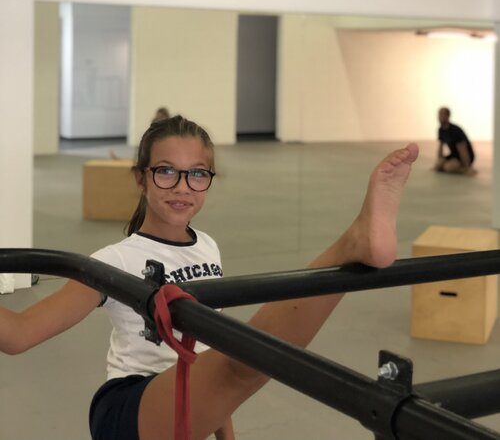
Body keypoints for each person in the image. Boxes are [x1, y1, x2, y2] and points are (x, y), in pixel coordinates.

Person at [0, 115, 419, 440]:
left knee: (240, 357)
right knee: (250, 359)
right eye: (166, 171)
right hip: (131, 410)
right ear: (140, 178)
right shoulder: (115, 261)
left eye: (197, 174)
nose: (182, 187)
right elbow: (18, 335)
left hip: (191, 398)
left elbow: (210, 355)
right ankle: (350, 243)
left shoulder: (207, 248)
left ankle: (354, 244)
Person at [434, 107, 476, 175]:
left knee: (448, 168)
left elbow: (463, 150)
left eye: (442, 114)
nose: (439, 117)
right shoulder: (441, 130)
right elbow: (440, 147)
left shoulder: (455, 130)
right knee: (438, 165)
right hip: (454, 155)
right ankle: (455, 166)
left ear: (447, 116)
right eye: (439, 114)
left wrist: (467, 167)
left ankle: (463, 169)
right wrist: (439, 161)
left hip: (466, 156)